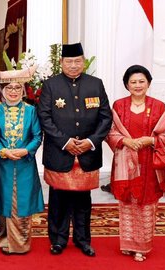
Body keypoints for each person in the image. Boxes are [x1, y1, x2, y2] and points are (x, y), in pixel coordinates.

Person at [37, 43, 112, 257]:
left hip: (88, 152)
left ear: (84, 62)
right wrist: (65, 141)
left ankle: (83, 240)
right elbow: (44, 116)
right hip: (60, 151)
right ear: (61, 63)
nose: (73, 65)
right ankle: (58, 240)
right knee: (58, 200)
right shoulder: (50, 85)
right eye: (68, 61)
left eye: (77, 61)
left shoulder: (95, 84)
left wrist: (90, 141)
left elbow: (106, 117)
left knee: (83, 200)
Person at [106, 65, 165, 262]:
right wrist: (126, 141)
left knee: (146, 204)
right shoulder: (119, 105)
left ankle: (142, 247)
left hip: (150, 162)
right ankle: (128, 243)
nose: (137, 85)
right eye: (133, 82)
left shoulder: (158, 106)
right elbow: (110, 131)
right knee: (127, 202)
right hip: (125, 162)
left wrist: (151, 140)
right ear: (126, 85)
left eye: (141, 81)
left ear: (148, 83)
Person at [0, 67, 44, 255]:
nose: (13, 92)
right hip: (2, 164)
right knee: (3, 200)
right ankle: (4, 241)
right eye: (9, 88)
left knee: (23, 201)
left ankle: (21, 243)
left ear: (23, 90)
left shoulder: (31, 111)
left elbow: (37, 136)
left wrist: (25, 151)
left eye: (17, 88)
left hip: (25, 164)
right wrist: (2, 150)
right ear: (3, 91)